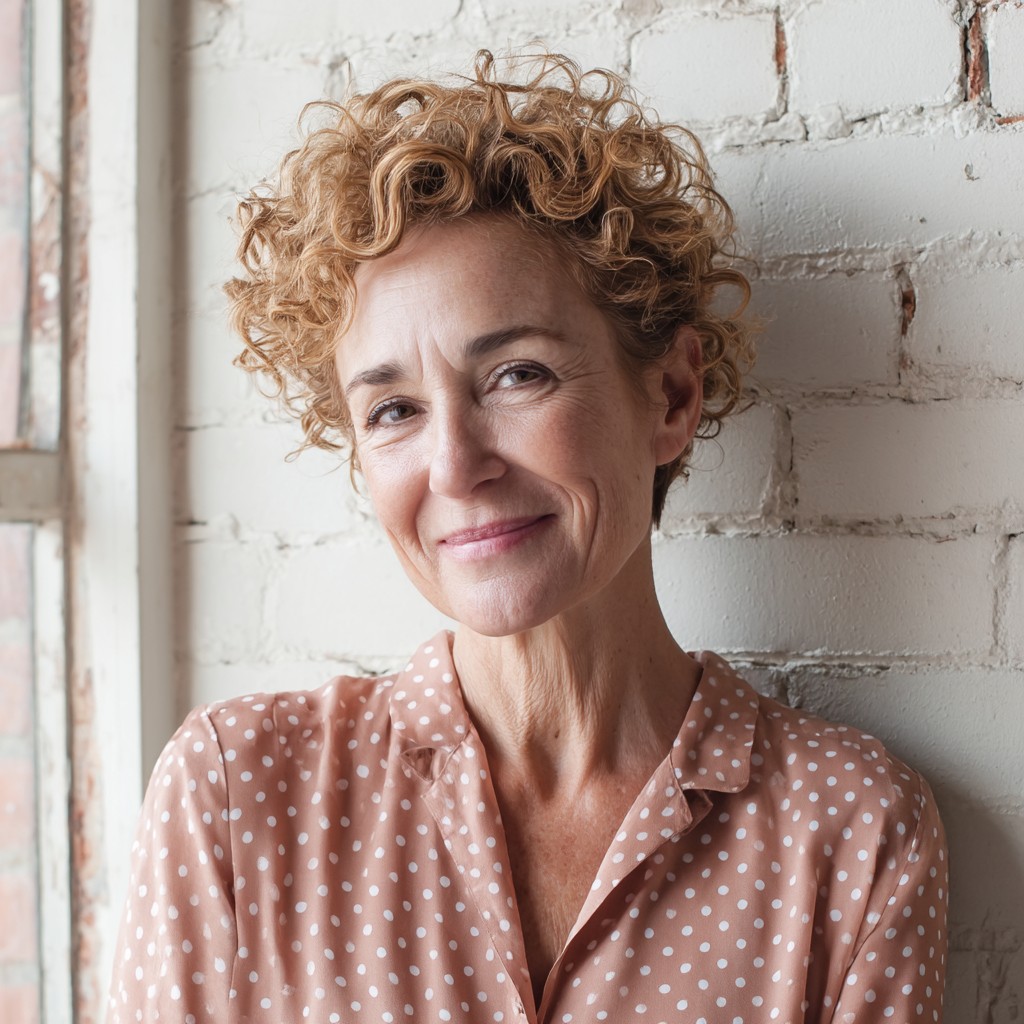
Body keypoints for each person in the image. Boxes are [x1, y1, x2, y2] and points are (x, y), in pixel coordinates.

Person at [108, 52, 947, 1024]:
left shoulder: (848, 829)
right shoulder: (240, 792)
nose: (455, 465)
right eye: (392, 410)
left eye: (516, 375)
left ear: (671, 396)